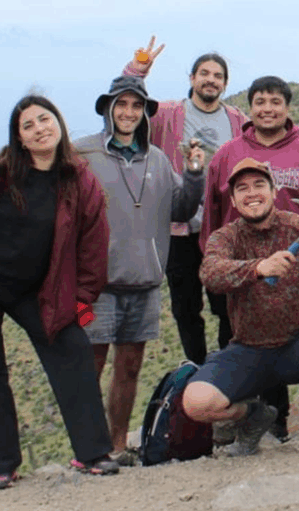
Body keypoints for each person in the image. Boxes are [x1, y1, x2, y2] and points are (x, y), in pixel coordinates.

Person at [0, 95, 119, 489]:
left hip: (36, 288)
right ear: (20, 138)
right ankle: (0, 466)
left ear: (58, 123)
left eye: (45, 119)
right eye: (29, 125)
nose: (40, 128)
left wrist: (82, 299)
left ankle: (93, 453)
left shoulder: (80, 179)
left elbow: (94, 243)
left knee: (71, 347)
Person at [183, 159, 299, 454]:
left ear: (274, 190)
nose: (251, 193)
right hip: (248, 348)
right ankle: (253, 416)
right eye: (242, 188)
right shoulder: (225, 237)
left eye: (259, 185)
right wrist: (258, 268)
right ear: (232, 199)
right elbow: (211, 273)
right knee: (196, 402)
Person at [201, 74, 299, 439]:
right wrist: (221, 265)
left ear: (287, 108)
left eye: (275, 102)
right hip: (245, 273)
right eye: (260, 102)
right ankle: (271, 423)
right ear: (250, 107)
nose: (268, 109)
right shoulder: (227, 154)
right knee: (254, 344)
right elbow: (214, 214)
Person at [74, 76, 206, 465]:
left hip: (145, 282)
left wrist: (196, 174)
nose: (128, 113)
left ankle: (116, 445)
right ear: (107, 109)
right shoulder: (82, 154)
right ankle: (87, 448)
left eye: (136, 106)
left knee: (129, 368)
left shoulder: (160, 160)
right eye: (121, 105)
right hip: (96, 286)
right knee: (89, 369)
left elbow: (181, 211)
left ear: (145, 113)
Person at [123, 37, 249, 365]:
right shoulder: (167, 114)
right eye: (203, 73)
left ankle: (227, 368)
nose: (210, 79)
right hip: (178, 229)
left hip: (223, 230)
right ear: (191, 78)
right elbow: (126, 106)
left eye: (217, 75)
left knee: (227, 306)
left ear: (225, 83)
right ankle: (197, 369)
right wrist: (136, 70)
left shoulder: (237, 120)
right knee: (186, 307)